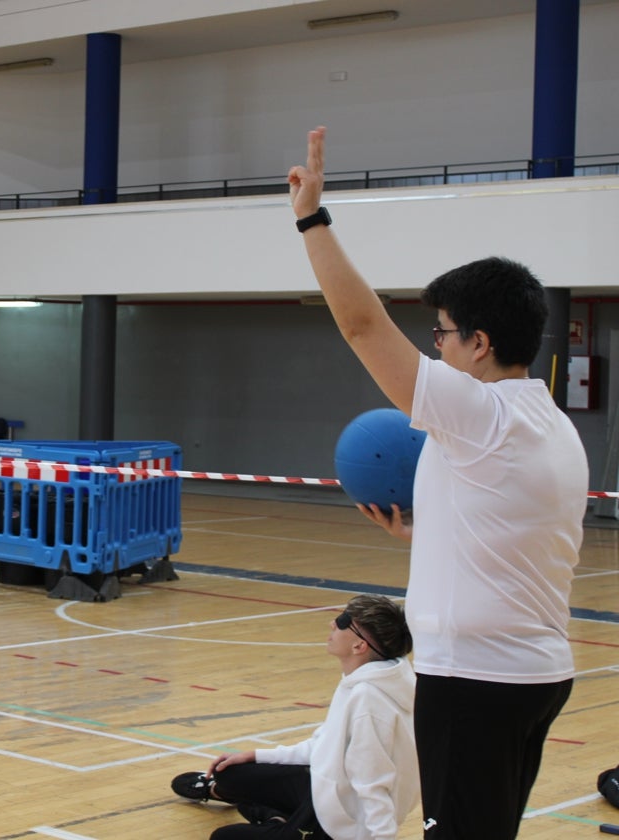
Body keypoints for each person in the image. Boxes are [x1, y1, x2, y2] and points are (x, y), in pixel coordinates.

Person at [288, 127, 587, 839]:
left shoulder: (478, 412)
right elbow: (517, 536)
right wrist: (427, 536)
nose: (436, 347)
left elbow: (363, 326)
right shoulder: (551, 425)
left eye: (444, 334)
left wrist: (311, 218)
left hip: (475, 686)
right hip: (535, 675)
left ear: (480, 344)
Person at [171, 595, 419, 839]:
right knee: (231, 774)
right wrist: (257, 756)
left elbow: (374, 783)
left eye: (343, 621)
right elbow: (323, 746)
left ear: (359, 646)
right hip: (331, 792)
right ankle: (274, 816)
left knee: (224, 837)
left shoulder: (369, 700)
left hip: (344, 824)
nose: (332, 624)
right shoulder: (366, 676)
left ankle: (279, 821)